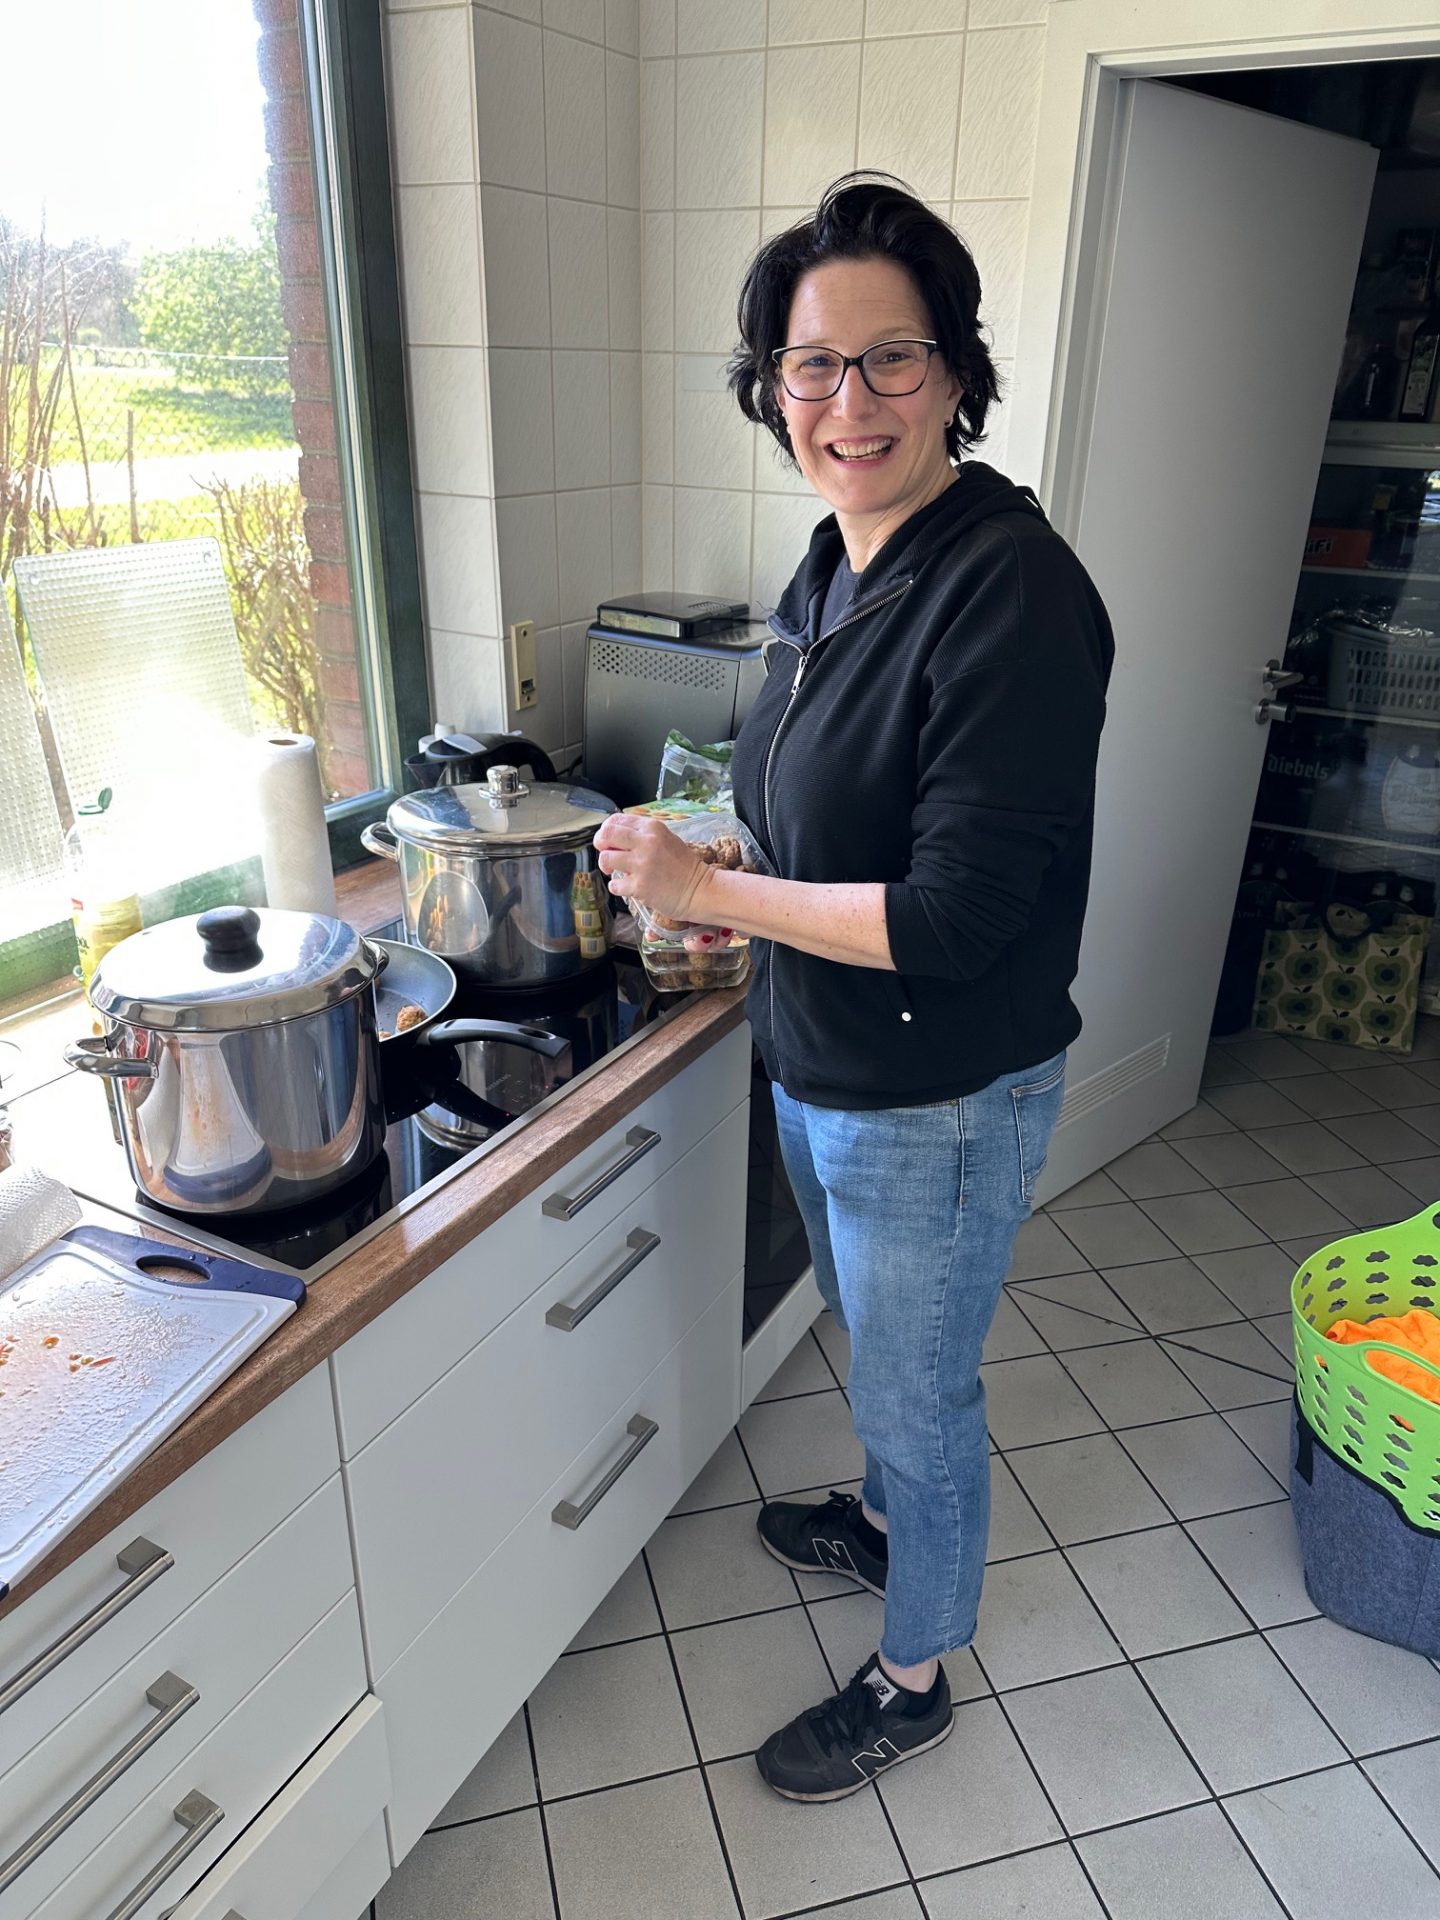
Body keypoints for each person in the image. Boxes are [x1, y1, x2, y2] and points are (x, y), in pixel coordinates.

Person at [592, 173, 1114, 1804]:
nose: (850, 401)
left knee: (917, 1385)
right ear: (774, 388)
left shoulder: (1010, 588)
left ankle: (915, 1672)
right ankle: (884, 1520)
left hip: (939, 1090)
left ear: (956, 372)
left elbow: (958, 916)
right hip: (820, 1055)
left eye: (892, 358)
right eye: (812, 365)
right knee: (872, 1341)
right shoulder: (834, 562)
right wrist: (727, 850)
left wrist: (710, 894)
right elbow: (829, 794)